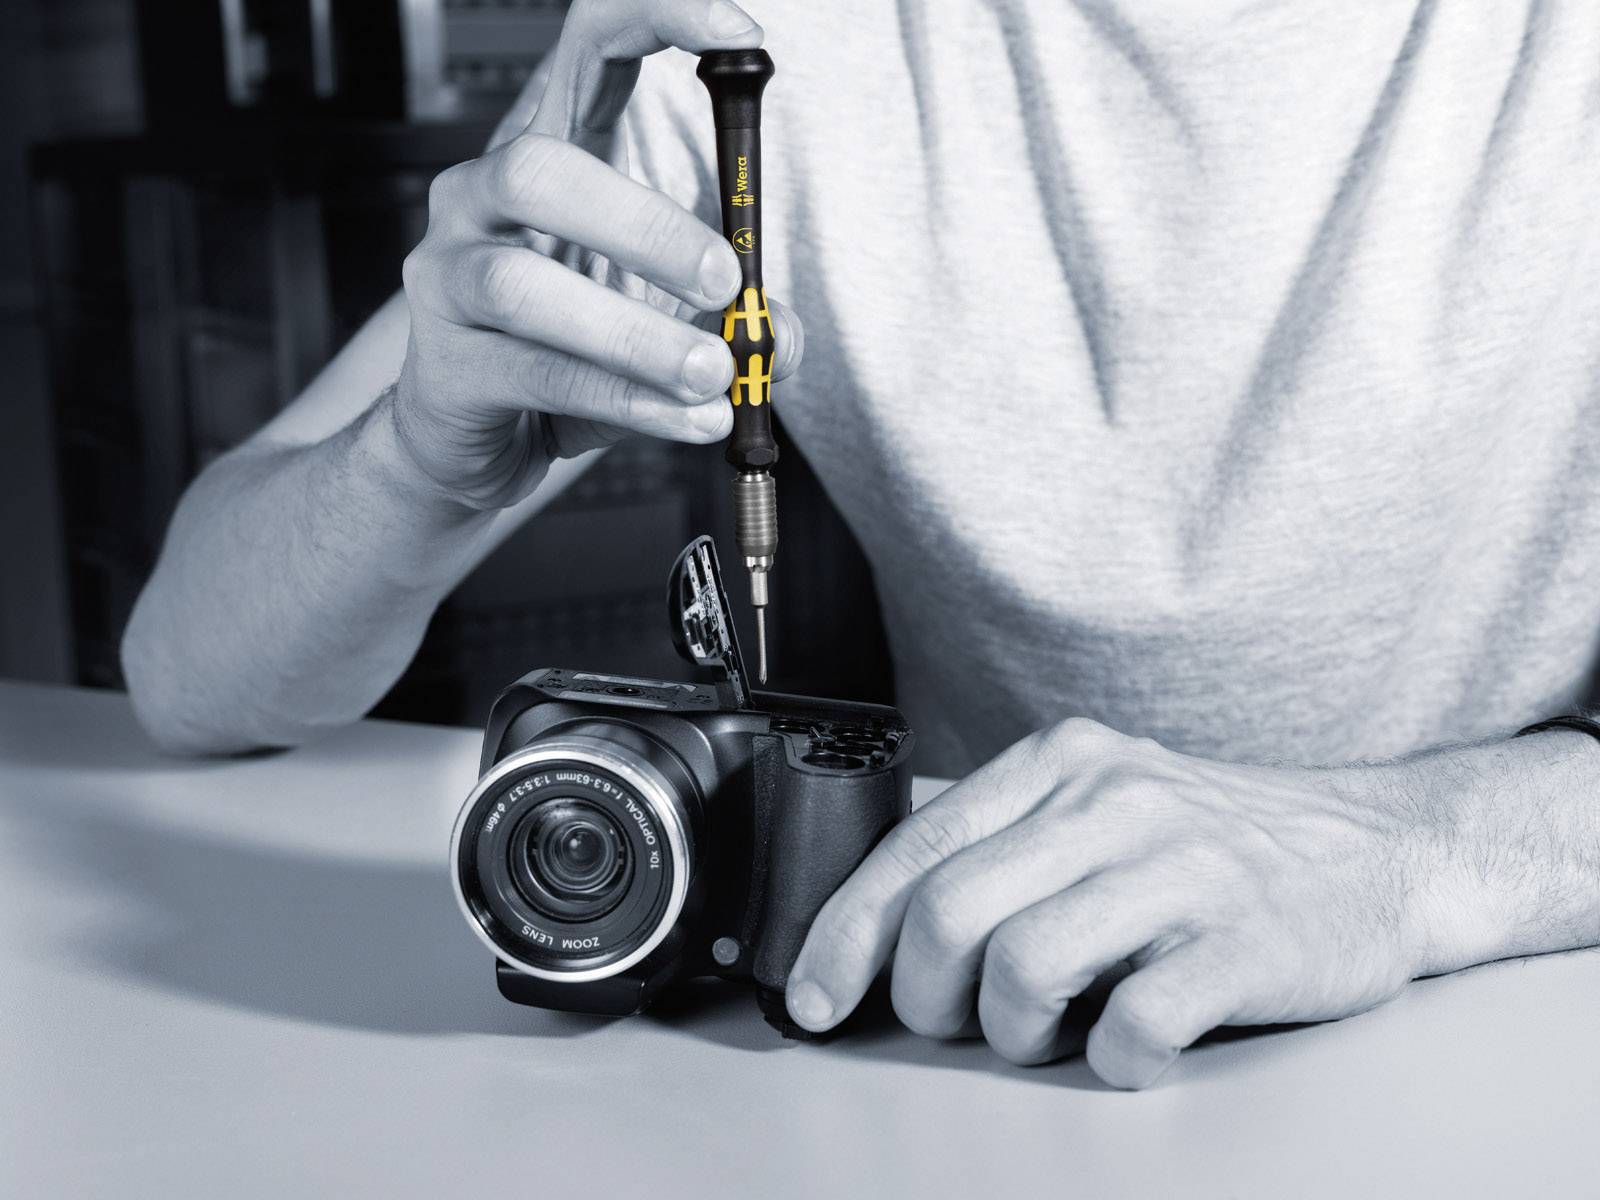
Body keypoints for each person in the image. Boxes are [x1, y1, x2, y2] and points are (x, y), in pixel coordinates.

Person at [121, 0, 1600, 1089]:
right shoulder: (756, 45)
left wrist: (1417, 855)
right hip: (974, 1061)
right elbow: (192, 672)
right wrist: (415, 460)